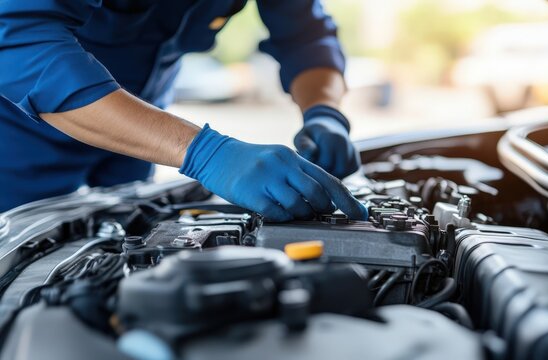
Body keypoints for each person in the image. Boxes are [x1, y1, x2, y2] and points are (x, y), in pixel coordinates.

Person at [0, 0, 368, 221]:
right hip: (18, 137)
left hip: (139, 132)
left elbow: (306, 36)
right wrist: (207, 153)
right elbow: (23, 41)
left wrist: (325, 113)